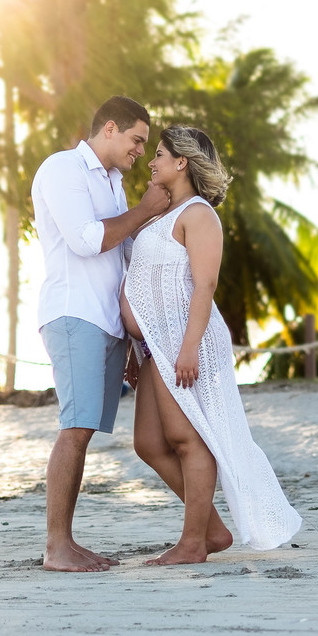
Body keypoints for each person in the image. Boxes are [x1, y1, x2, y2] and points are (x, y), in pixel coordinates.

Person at [121, 125, 302, 565]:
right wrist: (135, 344)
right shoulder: (165, 215)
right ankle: (212, 530)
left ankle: (192, 544)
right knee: (148, 442)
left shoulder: (199, 215)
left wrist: (188, 347)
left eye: (160, 154)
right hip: (155, 346)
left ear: (182, 162)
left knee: (187, 440)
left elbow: (204, 284)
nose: (152, 160)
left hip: (185, 342)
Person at [31, 96, 172, 572]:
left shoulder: (112, 183)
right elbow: (87, 240)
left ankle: (65, 543)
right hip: (74, 314)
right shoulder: (62, 168)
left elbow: (122, 259)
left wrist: (132, 341)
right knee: (75, 427)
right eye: (137, 140)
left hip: (106, 323)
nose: (140, 152)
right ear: (109, 129)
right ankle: (57, 547)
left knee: (85, 428)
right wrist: (148, 209)